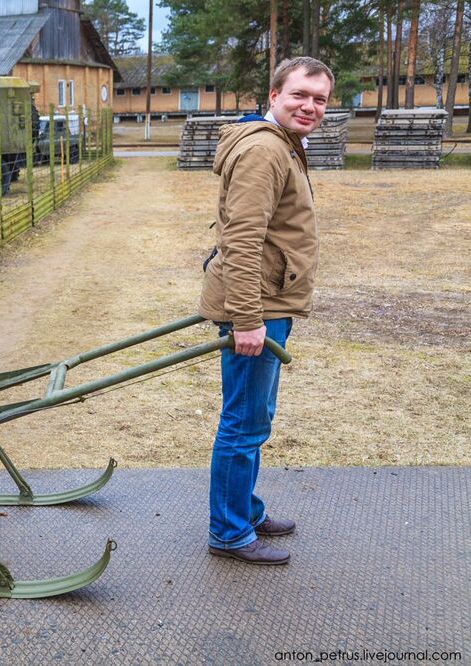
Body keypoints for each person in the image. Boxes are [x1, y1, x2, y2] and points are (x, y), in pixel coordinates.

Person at [198, 57, 334, 565]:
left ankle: (246, 511)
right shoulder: (263, 151)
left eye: (319, 99)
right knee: (243, 421)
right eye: (299, 94)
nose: (310, 106)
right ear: (274, 94)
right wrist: (248, 318)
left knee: (256, 415)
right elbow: (242, 239)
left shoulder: (282, 144)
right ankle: (229, 533)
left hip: (270, 299)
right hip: (257, 304)